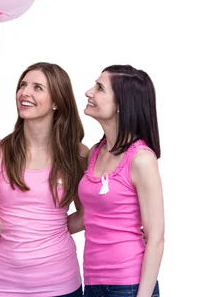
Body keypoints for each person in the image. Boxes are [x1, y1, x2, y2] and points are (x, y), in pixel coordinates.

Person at [0, 62, 88, 297]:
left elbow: (86, 213)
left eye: (38, 87)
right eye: (23, 85)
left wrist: (52, 229)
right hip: (7, 285)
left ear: (57, 101)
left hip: (62, 284)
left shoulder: (77, 154)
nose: (25, 92)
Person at [78, 65, 164, 297]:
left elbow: (155, 237)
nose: (88, 92)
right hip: (93, 283)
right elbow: (88, 218)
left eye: (99, 88)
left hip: (128, 286)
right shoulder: (95, 152)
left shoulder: (141, 159)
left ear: (121, 105)